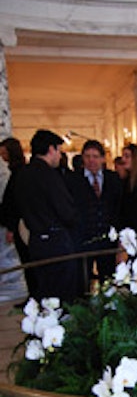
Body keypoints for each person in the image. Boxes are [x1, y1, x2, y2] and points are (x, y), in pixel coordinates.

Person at [14, 129, 78, 303]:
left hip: (35, 241)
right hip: (56, 241)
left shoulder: (22, 174)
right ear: (51, 149)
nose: (60, 155)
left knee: (44, 291)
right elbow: (66, 211)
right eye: (59, 150)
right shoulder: (49, 175)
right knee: (63, 295)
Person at [69, 139, 122, 294]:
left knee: (109, 281)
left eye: (95, 156)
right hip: (83, 240)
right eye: (87, 156)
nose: (91, 160)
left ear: (103, 158)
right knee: (82, 282)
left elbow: (118, 207)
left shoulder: (113, 178)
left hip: (107, 240)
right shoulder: (73, 180)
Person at [0, 136, 36, 299]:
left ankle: (34, 294)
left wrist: (12, 227)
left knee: (27, 261)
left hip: (22, 225)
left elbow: (16, 204)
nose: (3, 157)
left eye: (4, 153)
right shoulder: (18, 172)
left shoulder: (20, 173)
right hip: (18, 224)